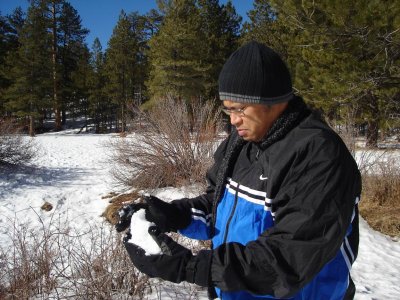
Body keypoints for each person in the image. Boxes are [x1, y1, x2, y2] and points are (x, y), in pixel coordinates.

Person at [116, 41, 361, 300]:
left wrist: (193, 268)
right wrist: (172, 214)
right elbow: (217, 207)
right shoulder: (242, 142)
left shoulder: (318, 155)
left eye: (240, 109)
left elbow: (290, 255)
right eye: (228, 109)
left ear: (273, 100)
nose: (233, 120)